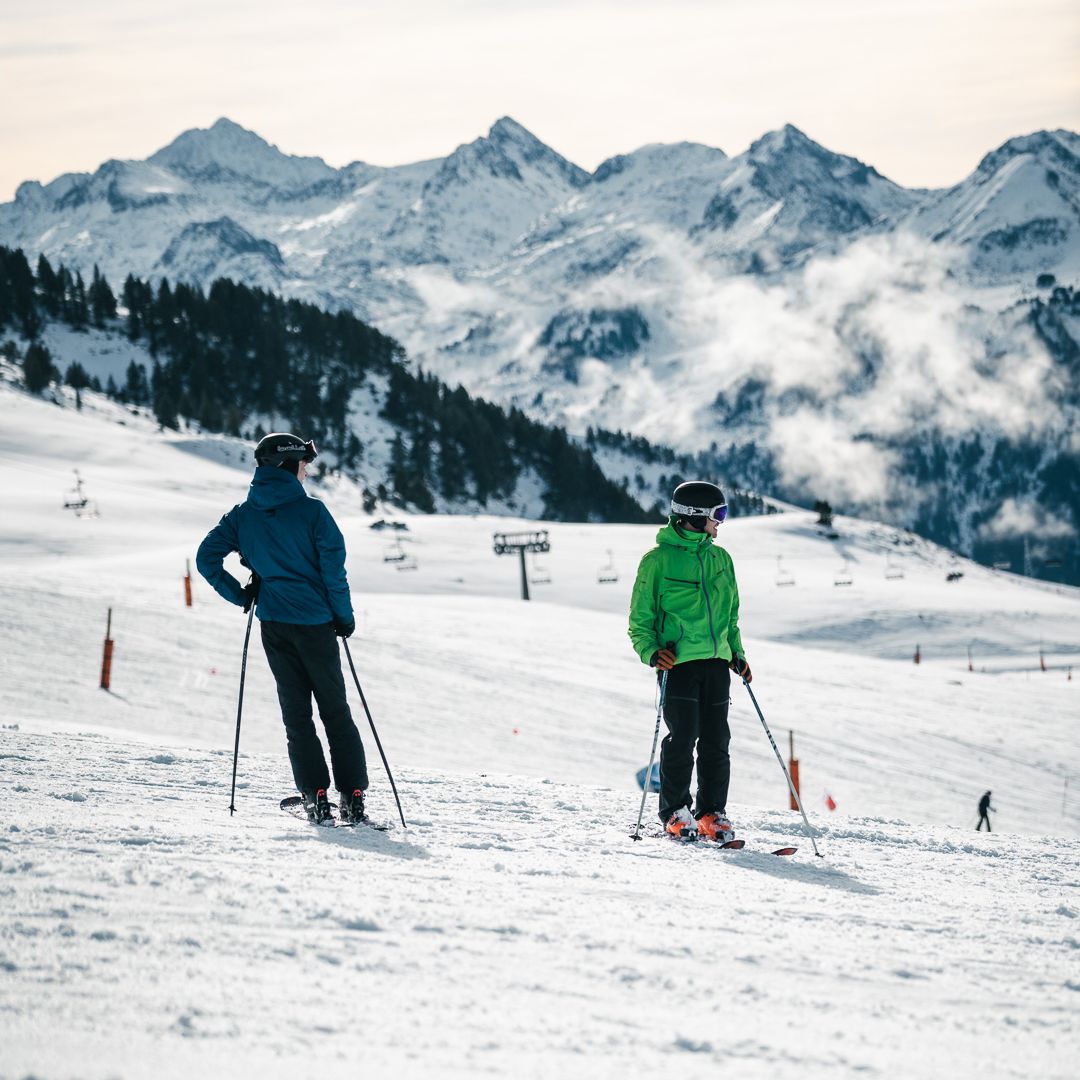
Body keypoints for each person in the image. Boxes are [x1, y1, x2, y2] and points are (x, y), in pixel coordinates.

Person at [196, 433, 369, 826]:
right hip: (316, 626)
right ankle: (353, 797)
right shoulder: (314, 513)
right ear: (289, 465)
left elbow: (206, 558)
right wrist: (343, 616)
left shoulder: (242, 515)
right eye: (304, 464)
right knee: (335, 711)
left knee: (297, 715)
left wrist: (241, 595)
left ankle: (316, 796)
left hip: (274, 626)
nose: (306, 471)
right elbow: (333, 573)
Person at [628, 481, 751, 841]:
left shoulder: (720, 558)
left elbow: (730, 617)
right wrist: (652, 652)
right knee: (682, 738)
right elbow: (640, 621)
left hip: (716, 663)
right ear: (695, 517)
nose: (721, 523)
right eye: (719, 514)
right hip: (678, 664)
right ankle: (675, 812)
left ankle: (712, 812)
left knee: (717, 741)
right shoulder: (658, 561)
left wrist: (737, 654)